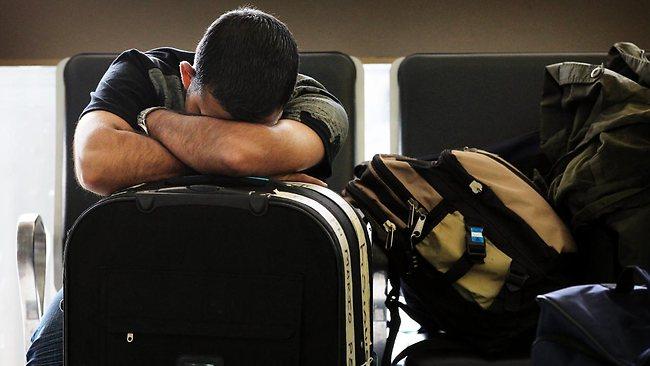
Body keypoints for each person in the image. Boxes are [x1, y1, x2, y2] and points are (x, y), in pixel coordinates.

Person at [26, 7, 348, 365]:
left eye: (250, 128)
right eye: (205, 117)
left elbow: (234, 154)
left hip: (261, 275)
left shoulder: (316, 103)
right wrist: (257, 163)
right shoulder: (139, 73)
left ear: (285, 100)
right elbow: (95, 165)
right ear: (186, 75)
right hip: (135, 266)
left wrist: (155, 120)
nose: (215, 136)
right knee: (49, 354)